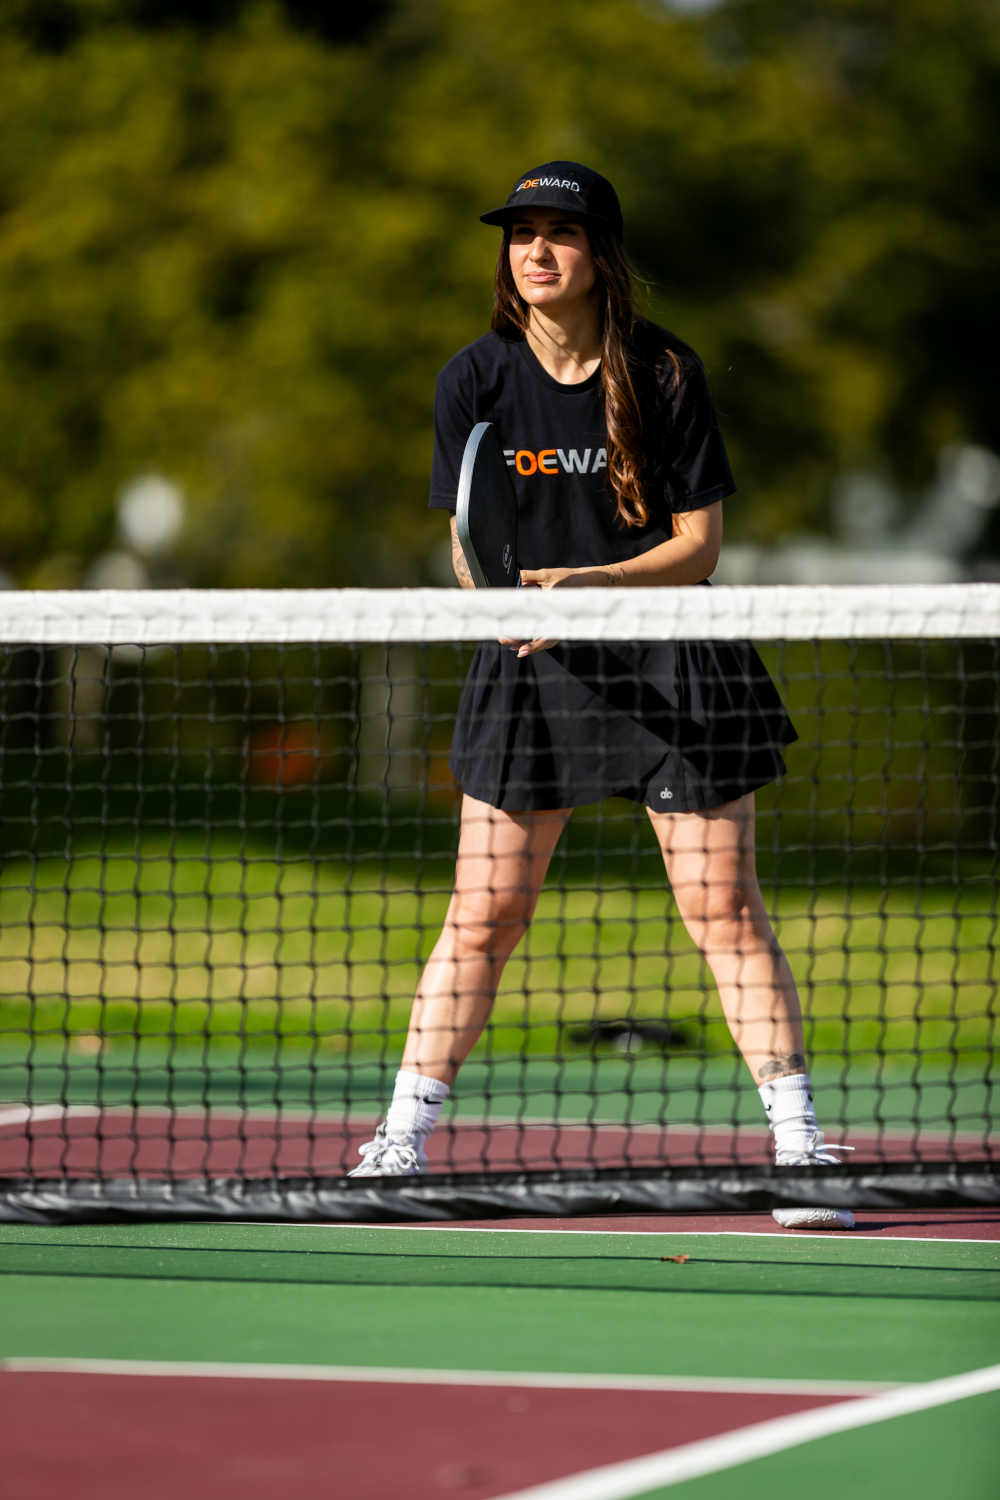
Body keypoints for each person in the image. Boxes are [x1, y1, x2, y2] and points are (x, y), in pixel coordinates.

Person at [351, 160, 853, 1230]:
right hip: (532, 668)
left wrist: (594, 589)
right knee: (484, 912)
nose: (534, 252)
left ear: (600, 256)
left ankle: (802, 1147)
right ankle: (399, 1140)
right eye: (518, 234)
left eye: (558, 235)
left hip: (673, 656)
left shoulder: (666, 372)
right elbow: (466, 540)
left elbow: (699, 544)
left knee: (720, 910)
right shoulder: (471, 379)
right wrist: (505, 602)